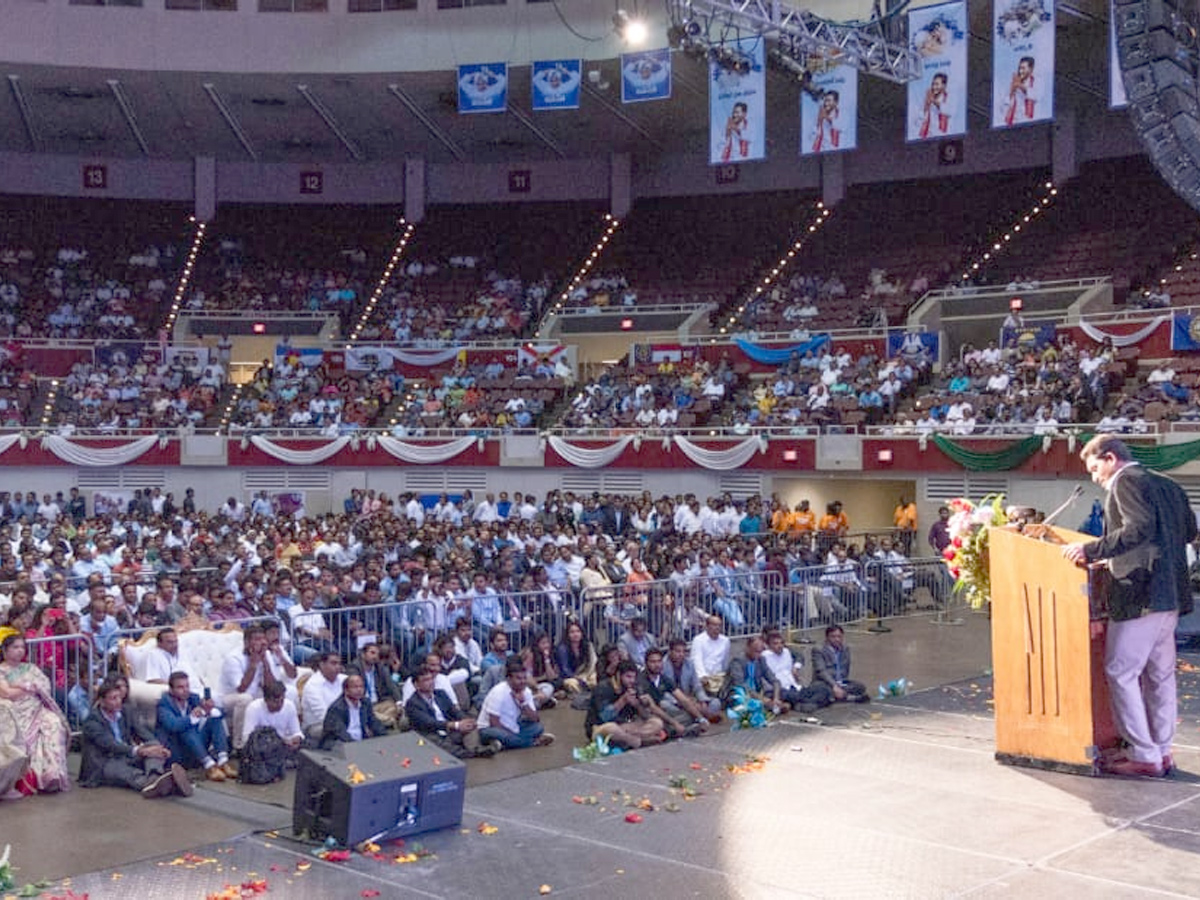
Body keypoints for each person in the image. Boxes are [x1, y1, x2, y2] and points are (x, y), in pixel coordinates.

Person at [1063, 435, 1197, 777]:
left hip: (1140, 594)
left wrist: (1092, 551)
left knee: (1121, 671)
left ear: (1110, 458)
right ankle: (1162, 750)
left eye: (1095, 469)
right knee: (1160, 676)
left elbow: (1138, 528)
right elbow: (1188, 531)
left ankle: (1143, 753)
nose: (1095, 478)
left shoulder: (1126, 482)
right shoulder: (1167, 484)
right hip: (1170, 593)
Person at [80, 677, 192, 798]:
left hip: (125, 755)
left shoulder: (125, 711)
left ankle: (155, 777)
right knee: (125, 771)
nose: (118, 701)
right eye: (113, 698)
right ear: (102, 701)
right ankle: (155, 783)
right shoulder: (92, 721)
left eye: (119, 697)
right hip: (104, 762)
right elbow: (111, 744)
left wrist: (157, 747)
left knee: (152, 748)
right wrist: (140, 751)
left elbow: (142, 731)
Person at [0, 630, 71, 796]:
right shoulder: (1, 670)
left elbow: (44, 686)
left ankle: (51, 775)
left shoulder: (30, 668)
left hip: (37, 708)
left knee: (53, 723)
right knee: (20, 732)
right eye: (15, 647)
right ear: (5, 650)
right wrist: (29, 687)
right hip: (14, 711)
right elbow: (7, 694)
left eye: (22, 647)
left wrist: (23, 686)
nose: (20, 651)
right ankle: (24, 778)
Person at [154, 672, 233, 782]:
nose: (185, 690)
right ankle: (209, 766)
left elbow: (222, 712)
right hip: (176, 753)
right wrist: (192, 717)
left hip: (195, 749)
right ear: (171, 690)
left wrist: (209, 709)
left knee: (214, 719)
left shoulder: (193, 698)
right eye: (180, 687)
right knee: (186, 727)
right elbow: (173, 725)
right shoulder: (164, 703)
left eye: (187, 686)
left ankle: (223, 762)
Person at [405, 667, 493, 759]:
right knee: (434, 743)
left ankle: (476, 748)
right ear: (416, 685)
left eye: (431, 678)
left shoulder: (441, 694)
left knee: (470, 727)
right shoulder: (412, 703)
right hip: (431, 734)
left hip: (449, 731)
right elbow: (429, 722)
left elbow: (454, 711)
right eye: (426, 680)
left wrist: (465, 720)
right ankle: (470, 753)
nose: (431, 682)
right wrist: (455, 725)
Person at [586, 660, 666, 750]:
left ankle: (627, 740)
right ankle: (639, 742)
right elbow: (604, 717)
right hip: (601, 727)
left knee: (657, 723)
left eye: (633, 677)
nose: (631, 680)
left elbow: (645, 716)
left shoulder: (634, 686)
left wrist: (638, 705)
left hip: (625, 727)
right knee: (612, 729)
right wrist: (623, 700)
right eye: (628, 677)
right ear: (618, 675)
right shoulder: (603, 687)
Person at [478, 658, 554, 750]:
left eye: (524, 678)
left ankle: (503, 744)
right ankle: (534, 742)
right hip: (489, 728)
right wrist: (511, 734)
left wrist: (523, 703)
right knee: (503, 736)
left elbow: (535, 719)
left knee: (538, 728)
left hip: (514, 726)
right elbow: (494, 722)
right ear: (509, 679)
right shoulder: (498, 691)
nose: (522, 682)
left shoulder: (526, 691)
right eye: (518, 678)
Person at [762, 629, 832, 713]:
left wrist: (795, 667)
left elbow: (800, 656)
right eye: (775, 644)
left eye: (781, 643)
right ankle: (809, 704)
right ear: (768, 645)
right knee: (793, 696)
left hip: (795, 687)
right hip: (779, 690)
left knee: (823, 688)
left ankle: (805, 704)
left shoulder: (786, 652)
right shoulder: (764, 656)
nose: (779, 646)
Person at [320, 674, 387, 750]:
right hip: (339, 744)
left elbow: (374, 723)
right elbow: (340, 733)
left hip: (360, 742)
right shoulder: (336, 708)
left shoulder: (365, 703)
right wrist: (357, 747)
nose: (359, 690)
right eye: (355, 687)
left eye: (361, 686)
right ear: (346, 690)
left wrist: (385, 738)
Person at [240, 680, 304, 757]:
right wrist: (279, 741)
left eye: (282, 701)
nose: (280, 705)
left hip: (283, 749)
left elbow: (296, 731)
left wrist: (297, 739)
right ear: (266, 700)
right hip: (260, 752)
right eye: (275, 702)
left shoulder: (289, 706)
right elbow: (247, 738)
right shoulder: (253, 708)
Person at [811, 625, 869, 703]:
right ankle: (847, 697)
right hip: (825, 683)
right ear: (827, 637)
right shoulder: (818, 649)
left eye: (839, 637)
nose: (837, 639)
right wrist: (834, 685)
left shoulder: (845, 648)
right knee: (822, 690)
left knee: (860, 686)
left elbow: (846, 668)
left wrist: (841, 684)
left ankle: (840, 696)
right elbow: (821, 671)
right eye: (833, 637)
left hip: (841, 682)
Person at [300, 651, 346, 742]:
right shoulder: (312, 685)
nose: (338, 667)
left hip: (343, 721)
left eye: (339, 664)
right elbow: (322, 715)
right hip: (317, 726)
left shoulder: (344, 679)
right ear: (321, 664)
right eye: (333, 663)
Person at [1004, 56, 1038, 126]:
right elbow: (1005, 104)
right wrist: (1012, 90)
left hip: (1032, 122)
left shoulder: (1037, 81)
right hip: (1014, 122)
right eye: (1019, 68)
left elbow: (1035, 96)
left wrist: (1019, 85)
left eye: (1023, 68)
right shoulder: (1015, 81)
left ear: (1031, 69)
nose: (1020, 71)